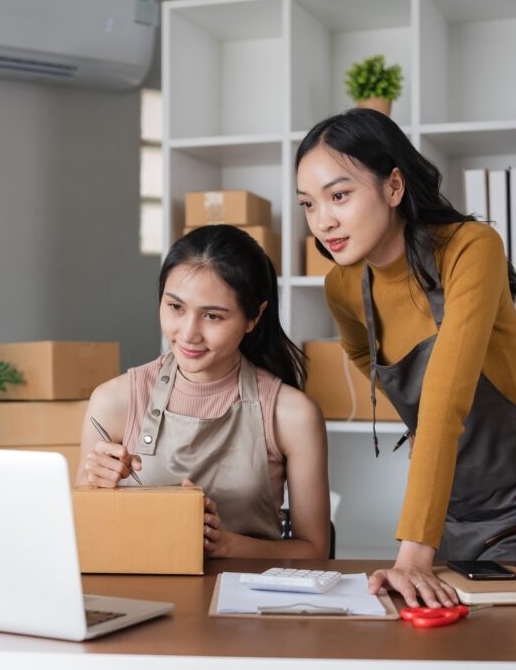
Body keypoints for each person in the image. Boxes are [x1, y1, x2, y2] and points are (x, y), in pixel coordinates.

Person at [295, 108, 516, 608]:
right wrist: (414, 413)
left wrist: (411, 556)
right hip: (444, 516)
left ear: (393, 186)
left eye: (339, 195)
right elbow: (366, 356)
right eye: (308, 204)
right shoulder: (341, 286)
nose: (323, 221)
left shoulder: (471, 248)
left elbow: (446, 395)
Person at [76, 225, 330, 559]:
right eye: (176, 308)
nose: (188, 334)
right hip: (142, 597)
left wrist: (227, 545)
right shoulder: (113, 401)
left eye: (212, 316)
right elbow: (81, 534)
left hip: (247, 600)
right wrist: (93, 487)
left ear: (254, 317)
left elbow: (315, 550)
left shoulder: (292, 414)